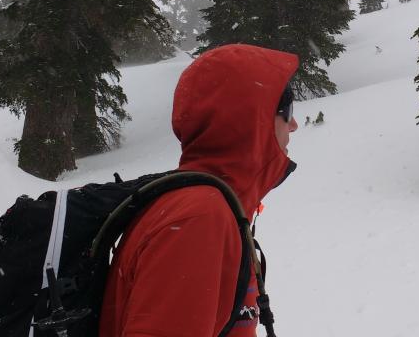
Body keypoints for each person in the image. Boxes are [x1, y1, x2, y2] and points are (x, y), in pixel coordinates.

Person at [99, 43, 300, 337]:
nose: (294, 124)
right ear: (249, 119)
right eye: (287, 110)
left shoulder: (209, 205)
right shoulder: (200, 217)